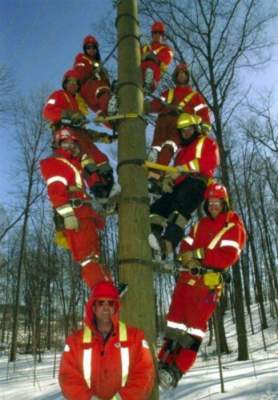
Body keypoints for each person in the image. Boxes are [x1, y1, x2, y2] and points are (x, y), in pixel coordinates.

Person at [157, 183, 247, 389]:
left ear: (224, 204)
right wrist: (188, 261)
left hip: (206, 286)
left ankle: (176, 370)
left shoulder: (233, 226)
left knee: (194, 329)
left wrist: (198, 256)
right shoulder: (199, 225)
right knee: (174, 324)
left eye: (218, 202)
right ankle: (162, 361)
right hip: (187, 281)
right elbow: (185, 245)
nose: (214, 206)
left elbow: (227, 256)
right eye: (211, 202)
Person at [40, 127, 112, 290]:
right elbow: (56, 192)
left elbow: (86, 186)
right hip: (76, 215)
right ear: (58, 144)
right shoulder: (56, 162)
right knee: (87, 257)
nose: (70, 146)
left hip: (85, 214)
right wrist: (67, 215)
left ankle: (108, 288)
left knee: (94, 257)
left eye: (72, 142)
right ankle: (103, 292)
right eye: (65, 143)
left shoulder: (74, 164)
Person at [59, 281, 155, 400]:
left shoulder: (135, 338)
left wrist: (122, 398)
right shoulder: (75, 341)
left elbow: (145, 374)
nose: (105, 307)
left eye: (110, 303)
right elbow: (68, 377)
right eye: (100, 303)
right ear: (93, 307)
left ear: (115, 307)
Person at [148, 112, 219, 261]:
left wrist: (183, 169)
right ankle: (151, 234)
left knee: (179, 209)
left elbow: (209, 162)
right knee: (158, 207)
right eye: (183, 130)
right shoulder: (181, 152)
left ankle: (166, 245)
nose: (186, 133)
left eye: (189, 129)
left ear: (196, 128)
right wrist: (168, 181)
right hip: (180, 184)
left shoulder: (206, 142)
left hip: (197, 182)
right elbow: (176, 171)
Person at [43, 69, 115, 200]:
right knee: (85, 160)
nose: (73, 85)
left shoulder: (78, 104)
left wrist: (104, 137)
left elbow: (84, 131)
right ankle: (97, 188)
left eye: (76, 83)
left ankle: (109, 188)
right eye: (70, 82)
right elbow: (48, 111)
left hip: (82, 135)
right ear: (65, 84)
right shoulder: (59, 95)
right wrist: (69, 114)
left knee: (100, 159)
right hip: (66, 132)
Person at [146, 63, 211, 175]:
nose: (181, 76)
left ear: (187, 77)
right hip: (162, 121)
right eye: (179, 74)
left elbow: (203, 113)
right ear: (175, 77)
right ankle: (149, 171)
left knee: (170, 146)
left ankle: (157, 173)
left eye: (183, 74)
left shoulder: (195, 96)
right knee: (156, 148)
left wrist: (204, 128)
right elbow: (156, 104)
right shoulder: (168, 92)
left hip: (179, 124)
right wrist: (144, 106)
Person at [74, 35, 117, 118]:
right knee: (102, 91)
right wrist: (92, 69)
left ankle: (108, 114)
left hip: (100, 94)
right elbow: (79, 74)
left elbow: (106, 80)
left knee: (106, 94)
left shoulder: (99, 64)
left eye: (94, 47)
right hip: (89, 88)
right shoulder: (82, 58)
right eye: (88, 47)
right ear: (85, 49)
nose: (91, 50)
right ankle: (108, 109)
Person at [141, 21, 173, 93]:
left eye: (160, 33)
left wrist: (148, 55)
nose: (157, 35)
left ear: (163, 35)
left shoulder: (167, 49)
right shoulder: (145, 47)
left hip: (154, 74)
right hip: (139, 71)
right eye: (155, 32)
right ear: (152, 35)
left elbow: (165, 60)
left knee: (151, 63)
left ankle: (148, 83)